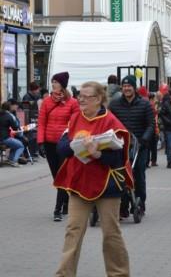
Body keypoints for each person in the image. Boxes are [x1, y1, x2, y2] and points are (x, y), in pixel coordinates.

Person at [53, 81, 133, 277]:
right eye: (79, 95)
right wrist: (76, 144)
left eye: (85, 96)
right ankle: (64, 274)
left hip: (107, 184)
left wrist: (97, 154)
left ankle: (119, 274)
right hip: (79, 182)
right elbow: (61, 149)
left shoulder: (111, 122)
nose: (80, 99)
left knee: (111, 233)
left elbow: (118, 159)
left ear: (98, 99)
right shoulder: (74, 118)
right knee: (73, 231)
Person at [108, 75, 155, 216]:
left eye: (129, 86)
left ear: (134, 88)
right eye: (124, 86)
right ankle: (123, 205)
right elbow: (108, 122)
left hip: (139, 145)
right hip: (120, 145)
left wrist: (144, 139)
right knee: (120, 175)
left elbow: (151, 124)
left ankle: (140, 203)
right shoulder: (115, 104)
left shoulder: (145, 104)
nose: (127, 88)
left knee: (138, 174)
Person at [37, 72, 79, 221]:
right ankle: (66, 201)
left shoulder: (72, 103)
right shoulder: (47, 102)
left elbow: (74, 124)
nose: (53, 84)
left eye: (56, 82)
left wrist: (71, 141)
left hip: (64, 144)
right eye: (52, 82)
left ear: (63, 85)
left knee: (61, 175)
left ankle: (57, 209)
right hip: (49, 143)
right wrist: (40, 142)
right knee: (57, 176)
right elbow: (41, 122)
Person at [0, 101, 24, 167]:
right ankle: (14, 161)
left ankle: (10, 160)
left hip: (2, 138)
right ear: (9, 108)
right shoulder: (9, 116)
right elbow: (15, 128)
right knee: (21, 146)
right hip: (5, 138)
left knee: (15, 144)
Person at [147, 92, 159, 167]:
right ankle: (153, 161)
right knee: (154, 146)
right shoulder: (153, 106)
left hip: (148, 128)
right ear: (153, 98)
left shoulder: (147, 105)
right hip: (153, 127)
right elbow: (156, 116)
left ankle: (147, 161)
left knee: (148, 146)